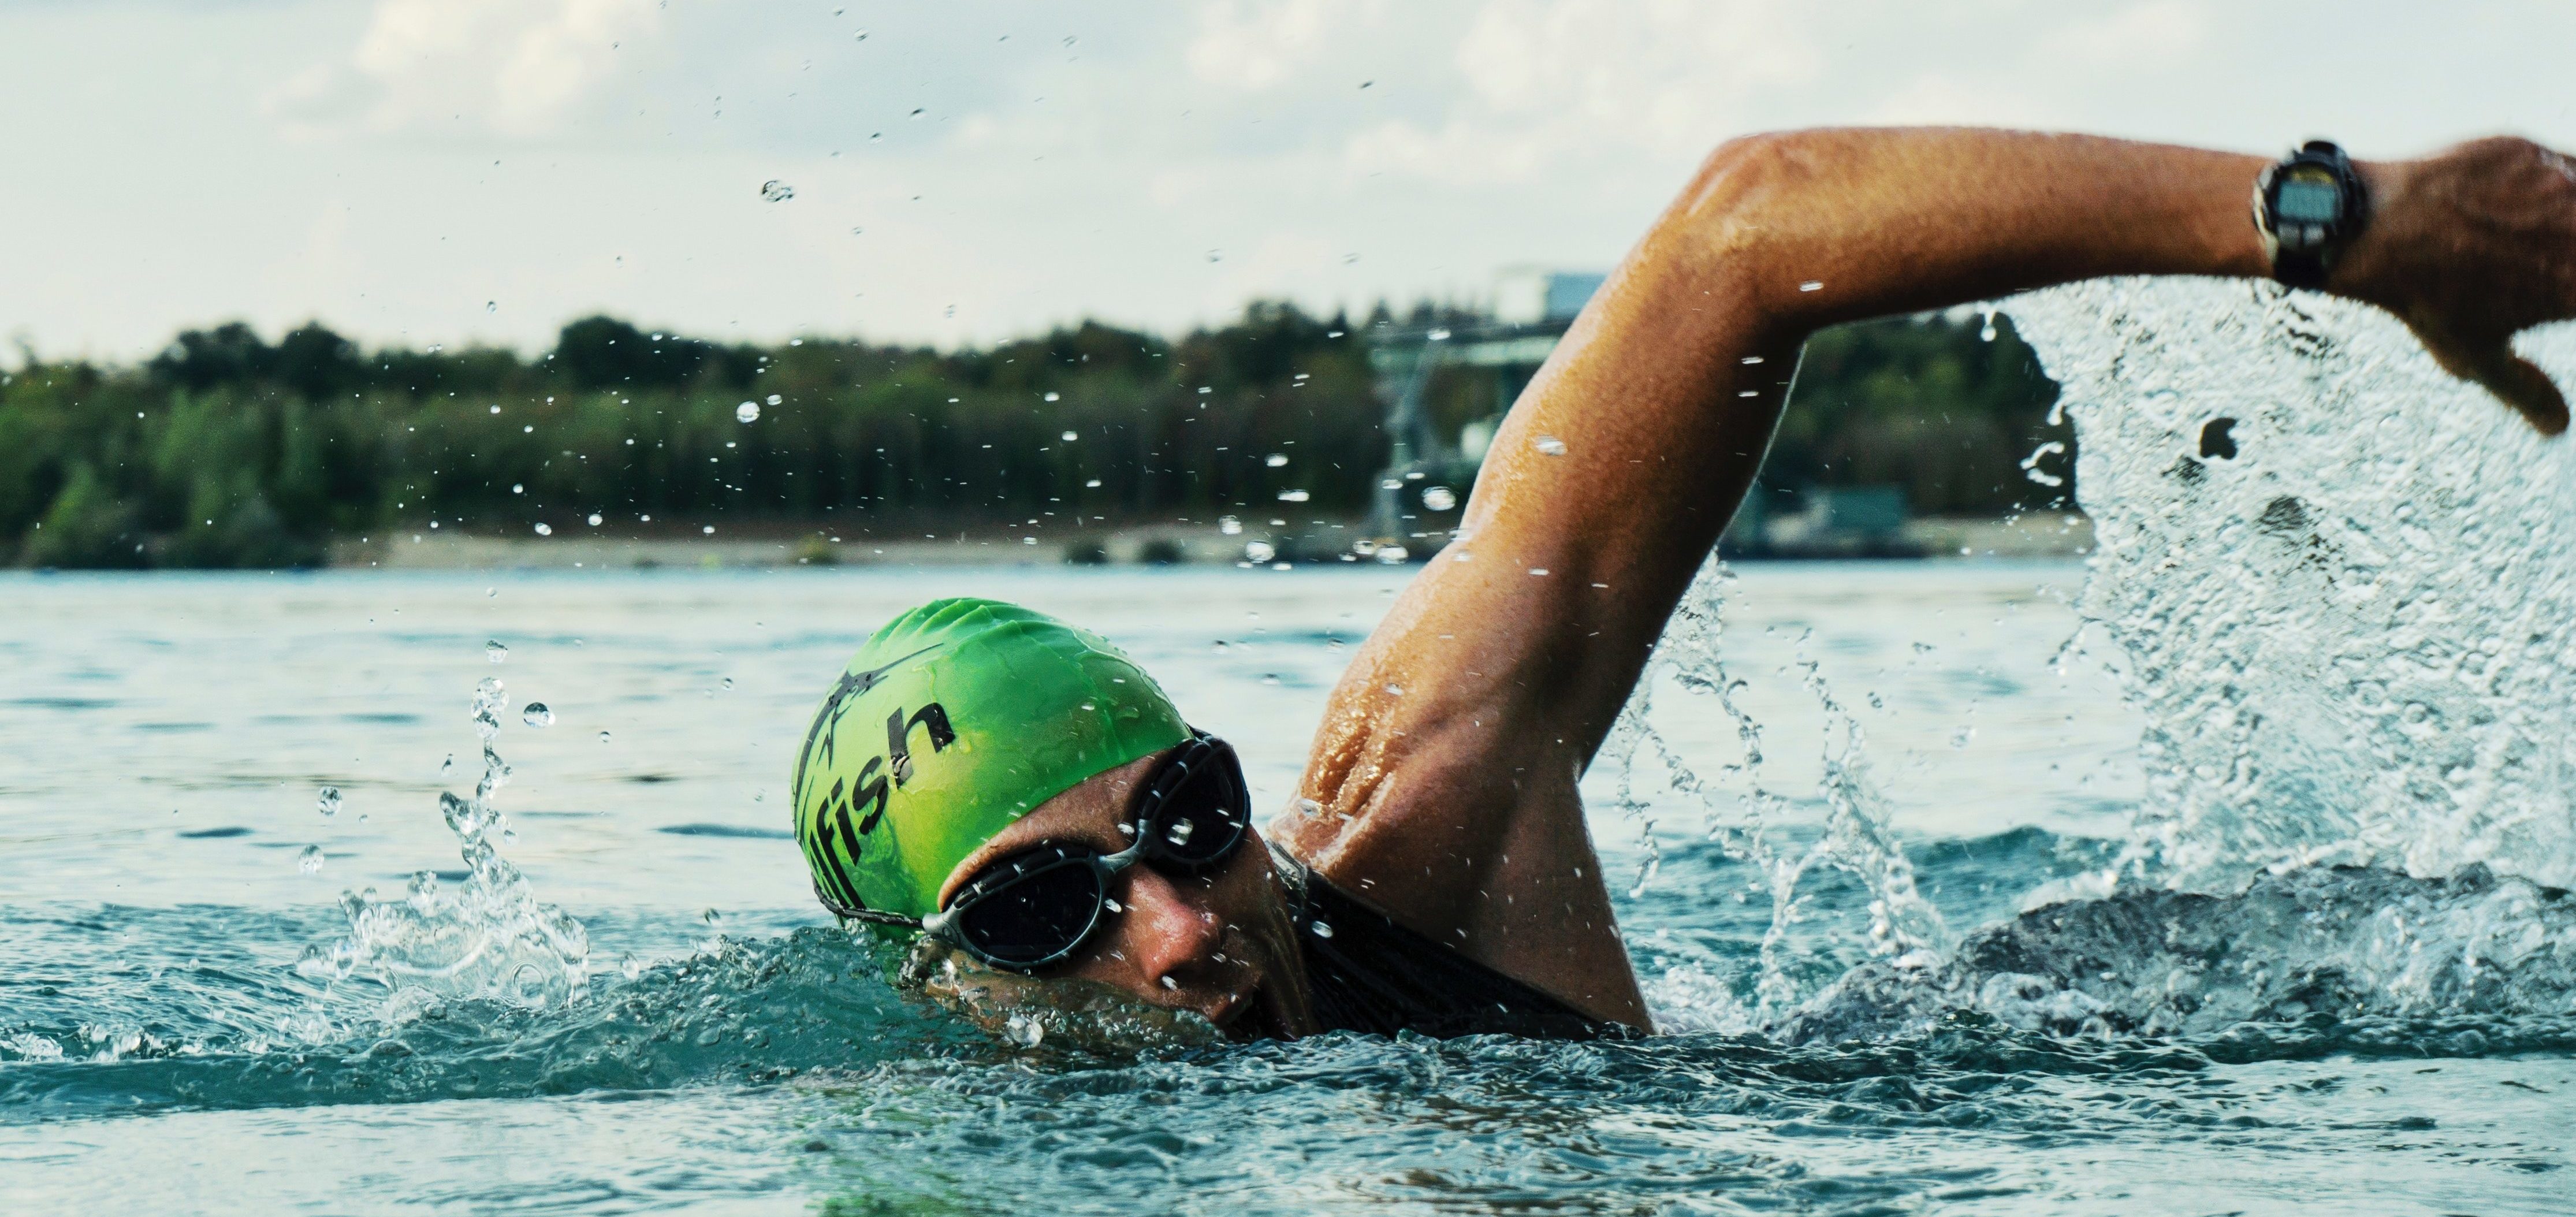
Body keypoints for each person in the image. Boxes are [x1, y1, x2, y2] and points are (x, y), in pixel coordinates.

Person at [792, 128, 2576, 1043]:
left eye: (1186, 818)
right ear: (936, 982)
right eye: (1042, 916)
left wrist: (2335, 220)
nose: (1175, 929)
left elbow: (1745, 226)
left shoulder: (1420, 822)